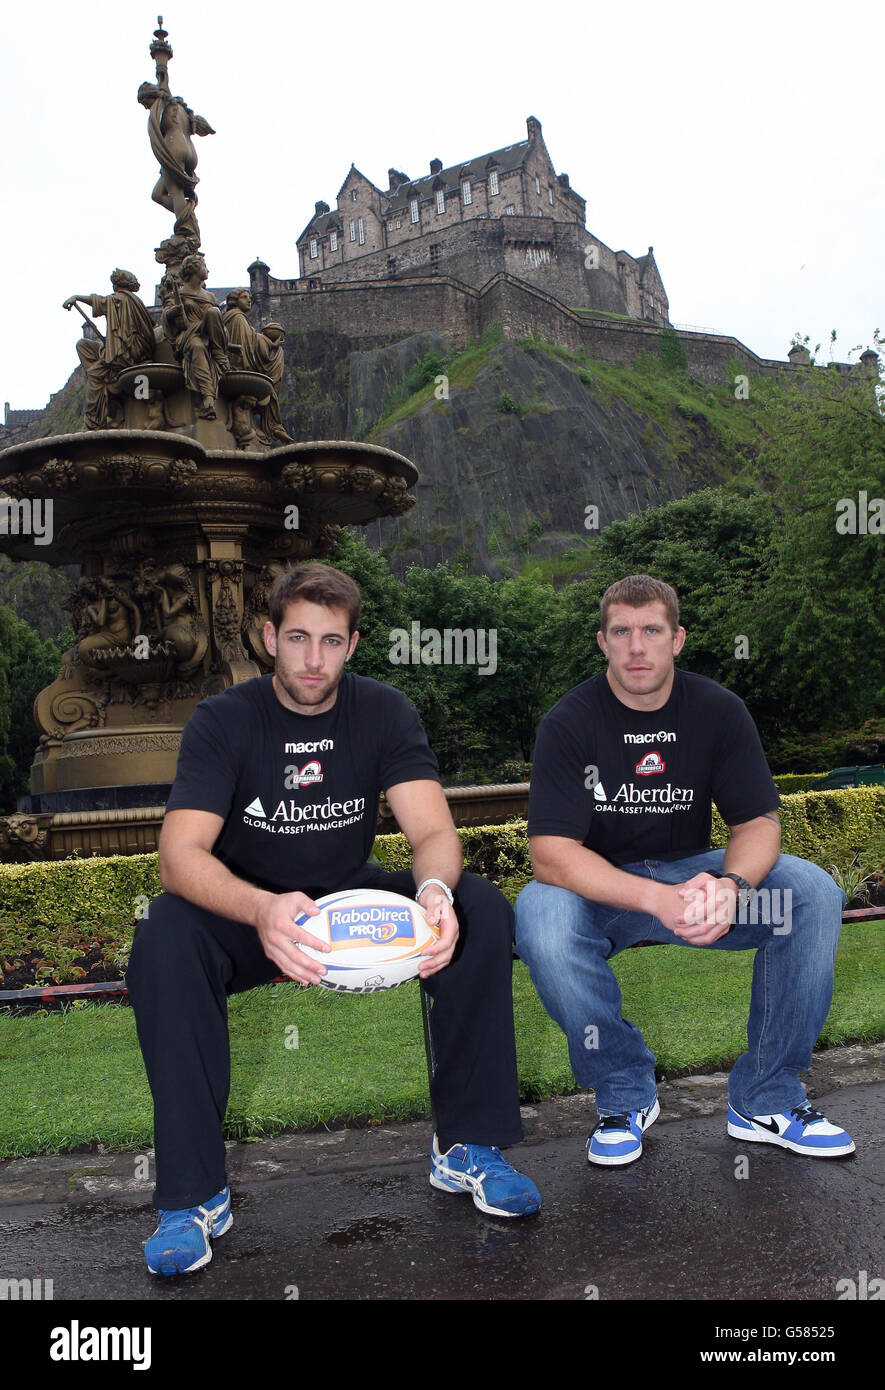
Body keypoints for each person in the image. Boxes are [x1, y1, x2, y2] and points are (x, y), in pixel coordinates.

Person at [127, 562, 540, 1276]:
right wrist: (259, 909)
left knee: (475, 904)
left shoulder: (383, 711)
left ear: (351, 645)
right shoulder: (223, 719)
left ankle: (467, 1146)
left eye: (329, 641)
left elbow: (433, 835)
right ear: (268, 638)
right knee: (164, 931)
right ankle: (193, 1196)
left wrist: (435, 893)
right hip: (254, 913)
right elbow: (179, 856)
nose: (312, 659)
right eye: (296, 638)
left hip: (349, 905)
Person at [514, 573, 854, 1168]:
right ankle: (622, 1092)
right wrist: (655, 899)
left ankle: (766, 1097)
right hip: (605, 893)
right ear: (602, 642)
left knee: (811, 893)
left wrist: (731, 887)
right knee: (540, 915)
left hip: (697, 885)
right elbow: (550, 854)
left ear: (678, 639)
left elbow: (758, 824)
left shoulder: (718, 710)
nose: (637, 647)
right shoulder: (569, 722)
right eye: (622, 631)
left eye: (651, 630)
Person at [63, 270, 156, 429]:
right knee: (83, 346)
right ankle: (108, 379)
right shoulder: (135, 302)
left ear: (117, 283)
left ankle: (94, 423)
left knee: (94, 375)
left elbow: (99, 301)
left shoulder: (119, 300)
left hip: (126, 354)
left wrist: (76, 297)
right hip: (126, 349)